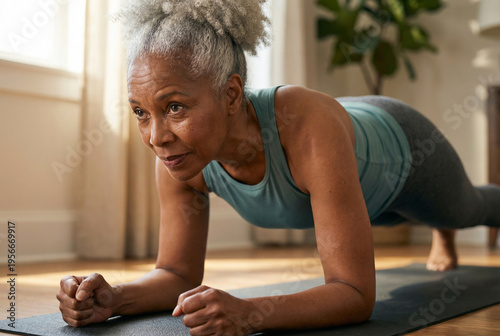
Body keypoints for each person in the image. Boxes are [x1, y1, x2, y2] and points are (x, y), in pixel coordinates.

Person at [56, 0, 500, 334]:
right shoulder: (179, 155)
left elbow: (355, 294)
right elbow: (176, 274)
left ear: (232, 95)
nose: (155, 136)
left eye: (174, 107)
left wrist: (250, 313)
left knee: (467, 209)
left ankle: (445, 227)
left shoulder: (306, 128)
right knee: (385, 216)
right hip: (357, 173)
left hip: (402, 146)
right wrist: (116, 297)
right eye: (139, 112)